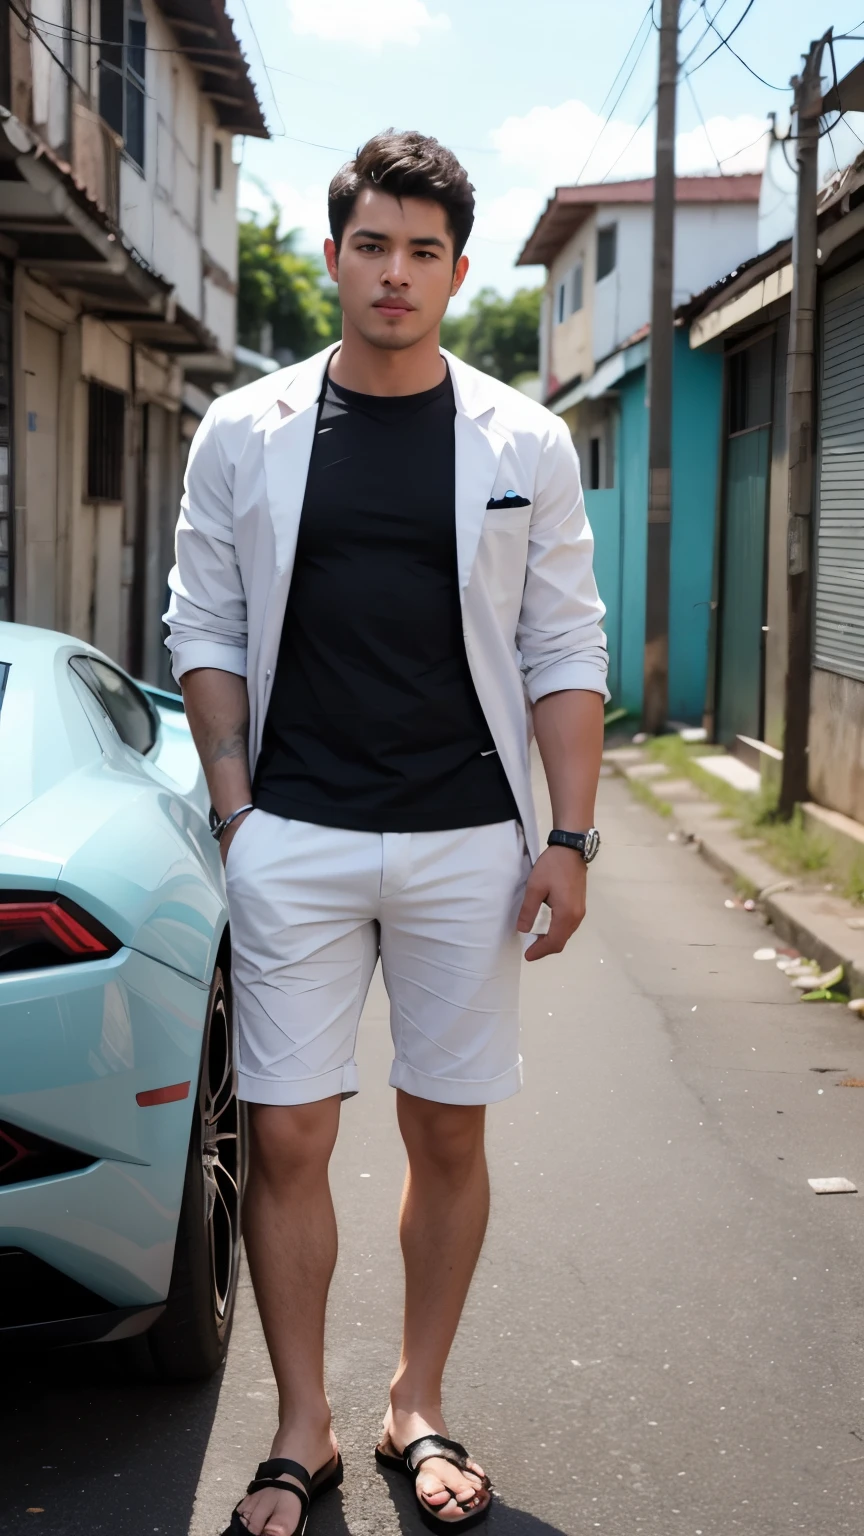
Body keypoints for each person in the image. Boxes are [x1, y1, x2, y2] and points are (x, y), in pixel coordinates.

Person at [165, 130, 608, 1536]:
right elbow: (205, 623)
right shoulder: (245, 427)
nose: (397, 273)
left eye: (425, 252)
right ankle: (305, 1423)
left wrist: (571, 835)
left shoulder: (521, 439)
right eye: (374, 245)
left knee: (448, 1130)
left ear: (457, 269)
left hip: (467, 838)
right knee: (287, 1136)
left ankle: (419, 1400)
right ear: (337, 252)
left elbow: (562, 642)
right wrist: (236, 810)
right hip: (289, 827)